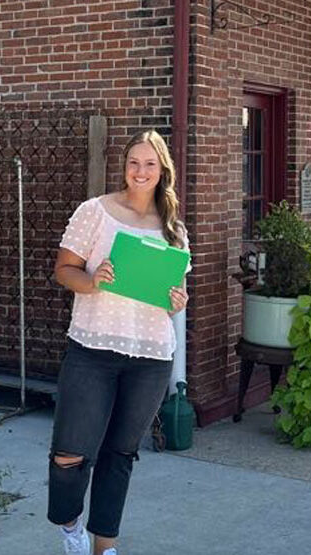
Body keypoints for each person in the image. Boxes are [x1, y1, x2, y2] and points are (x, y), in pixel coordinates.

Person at [48, 129, 190, 555]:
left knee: (120, 454)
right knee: (70, 453)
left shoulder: (173, 229)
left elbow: (173, 297)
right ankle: (70, 526)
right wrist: (92, 282)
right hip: (92, 349)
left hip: (150, 356)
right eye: (133, 162)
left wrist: (178, 301)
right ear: (124, 167)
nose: (140, 171)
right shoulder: (95, 211)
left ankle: (104, 547)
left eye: (149, 164)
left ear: (162, 170)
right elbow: (63, 270)